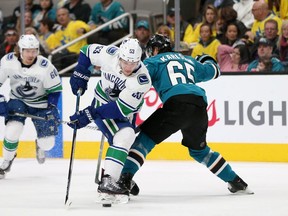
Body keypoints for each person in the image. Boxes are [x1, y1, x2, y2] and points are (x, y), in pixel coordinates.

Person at [119, 34, 254, 197]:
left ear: (155, 49)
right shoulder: (188, 60)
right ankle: (236, 181)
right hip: (199, 106)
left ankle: (124, 179)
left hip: (176, 104)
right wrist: (205, 57)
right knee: (199, 151)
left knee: (144, 139)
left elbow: (132, 76)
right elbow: (214, 71)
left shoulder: (152, 62)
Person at [68, 38, 151, 203]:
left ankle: (115, 176)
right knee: (125, 135)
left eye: (133, 63)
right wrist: (81, 71)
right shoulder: (109, 54)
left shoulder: (142, 80)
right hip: (102, 101)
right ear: (119, 56)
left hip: (123, 111)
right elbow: (87, 50)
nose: (128, 67)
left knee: (125, 141)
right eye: (125, 61)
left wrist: (90, 114)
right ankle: (108, 180)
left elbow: (119, 109)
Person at [0, 34, 62, 179]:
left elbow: (55, 90)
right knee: (12, 132)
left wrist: (51, 107)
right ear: (20, 50)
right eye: (27, 51)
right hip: (18, 100)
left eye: (34, 50)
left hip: (41, 104)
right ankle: (6, 161)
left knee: (48, 144)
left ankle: (40, 144)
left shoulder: (45, 66)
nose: (31, 54)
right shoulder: (8, 61)